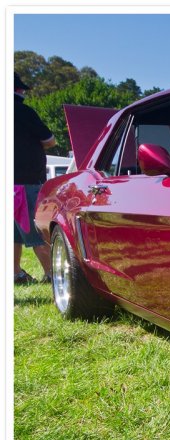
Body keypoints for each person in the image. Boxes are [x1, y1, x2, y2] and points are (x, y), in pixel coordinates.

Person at [13, 72, 55, 285]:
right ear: (18, 90)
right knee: (37, 233)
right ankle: (52, 275)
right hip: (25, 182)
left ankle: (15, 273)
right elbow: (49, 140)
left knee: (12, 235)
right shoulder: (23, 112)